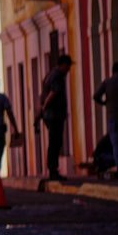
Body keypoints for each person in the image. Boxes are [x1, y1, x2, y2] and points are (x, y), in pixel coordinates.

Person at [35, 52, 73, 189]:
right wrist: (45, 106)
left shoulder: (49, 75)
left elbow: (43, 94)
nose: (69, 69)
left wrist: (40, 112)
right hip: (54, 114)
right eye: (68, 66)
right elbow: (53, 93)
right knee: (55, 142)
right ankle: (53, 170)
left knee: (54, 141)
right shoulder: (58, 76)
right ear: (63, 65)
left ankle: (53, 170)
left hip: (49, 115)